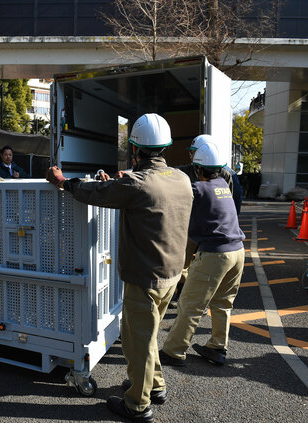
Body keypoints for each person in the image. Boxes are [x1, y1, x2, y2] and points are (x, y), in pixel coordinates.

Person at [45, 113, 191, 422]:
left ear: (135, 150)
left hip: (145, 278)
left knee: (137, 340)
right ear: (163, 148)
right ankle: (156, 385)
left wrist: (63, 183)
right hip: (173, 274)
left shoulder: (138, 183)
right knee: (148, 334)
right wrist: (115, 184)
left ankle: (137, 404)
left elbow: (96, 193)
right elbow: (133, 195)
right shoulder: (181, 179)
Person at [159, 142, 244, 368]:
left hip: (216, 254)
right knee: (223, 303)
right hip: (237, 252)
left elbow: (169, 195)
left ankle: (174, 350)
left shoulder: (197, 189)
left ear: (198, 169)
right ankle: (217, 347)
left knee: (190, 303)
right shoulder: (222, 185)